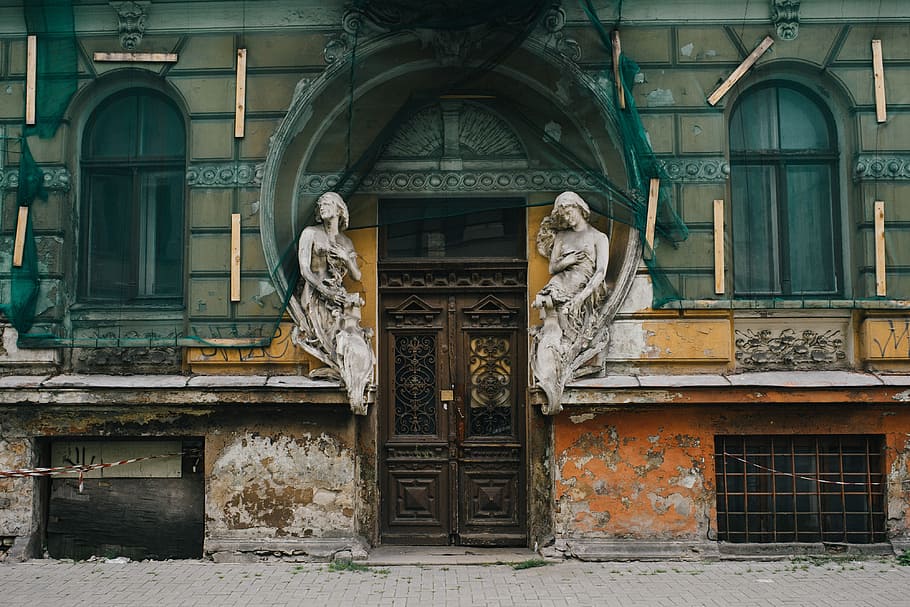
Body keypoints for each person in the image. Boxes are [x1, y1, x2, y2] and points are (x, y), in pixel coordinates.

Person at [533, 191, 610, 336]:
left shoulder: (599, 237)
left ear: (579, 207)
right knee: (546, 304)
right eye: (564, 216)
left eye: (569, 213)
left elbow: (600, 272)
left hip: (581, 285)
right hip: (559, 282)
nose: (567, 219)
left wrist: (581, 297)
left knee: (568, 324)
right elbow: (552, 268)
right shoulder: (561, 236)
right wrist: (567, 261)